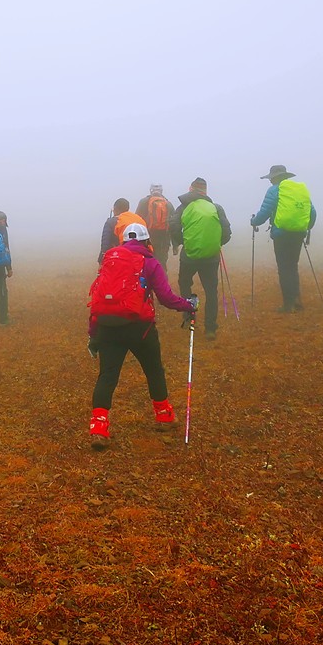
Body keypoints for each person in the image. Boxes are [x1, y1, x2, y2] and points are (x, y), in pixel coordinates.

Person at [87, 222, 197, 449]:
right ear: (148, 242)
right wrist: (189, 305)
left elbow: (99, 298)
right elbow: (166, 298)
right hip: (140, 327)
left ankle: (98, 427)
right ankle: (164, 415)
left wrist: (94, 334)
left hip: (108, 326)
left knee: (107, 376)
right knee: (153, 369)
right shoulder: (150, 262)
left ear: (124, 242)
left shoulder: (111, 260)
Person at [169, 177, 231, 341]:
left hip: (189, 256)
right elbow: (226, 232)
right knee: (211, 291)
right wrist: (216, 244)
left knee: (184, 283)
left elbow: (173, 226)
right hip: (211, 257)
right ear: (205, 191)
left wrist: (185, 242)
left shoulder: (183, 207)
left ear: (191, 190)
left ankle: (189, 315)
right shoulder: (215, 207)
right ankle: (210, 328)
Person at [250, 164, 317, 313]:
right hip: (299, 233)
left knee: (284, 268)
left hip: (281, 234)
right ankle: (297, 300)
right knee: (293, 266)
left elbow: (265, 212)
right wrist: (306, 227)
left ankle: (288, 304)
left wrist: (254, 222)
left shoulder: (274, 190)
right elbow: (312, 212)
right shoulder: (299, 190)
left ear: (274, 178)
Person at [135, 184, 173, 261]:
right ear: (161, 191)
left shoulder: (143, 201)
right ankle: (161, 272)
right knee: (162, 260)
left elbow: (137, 218)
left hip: (147, 235)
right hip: (164, 237)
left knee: (147, 258)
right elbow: (173, 221)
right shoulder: (168, 203)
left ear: (150, 190)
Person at [98, 198, 132, 263]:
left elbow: (105, 243)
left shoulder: (111, 222)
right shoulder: (135, 219)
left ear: (115, 209)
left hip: (117, 256)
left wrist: (101, 260)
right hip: (134, 256)